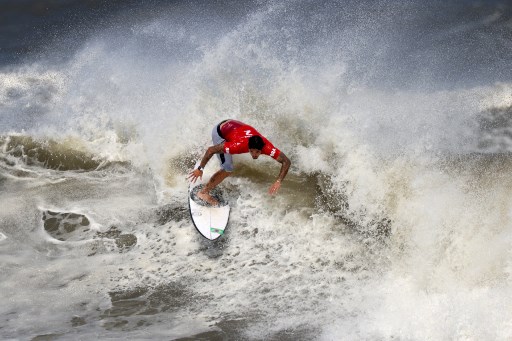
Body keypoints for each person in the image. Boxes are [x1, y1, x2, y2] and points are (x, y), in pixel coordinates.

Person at [188, 119, 291, 205]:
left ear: (262, 149)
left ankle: (204, 150)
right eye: (251, 151)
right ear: (248, 147)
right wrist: (200, 169)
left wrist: (278, 181)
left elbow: (286, 161)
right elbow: (211, 150)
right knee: (228, 168)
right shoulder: (238, 145)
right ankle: (203, 193)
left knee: (223, 152)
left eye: (257, 152)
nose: (254, 155)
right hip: (220, 131)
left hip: (233, 126)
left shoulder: (267, 147)